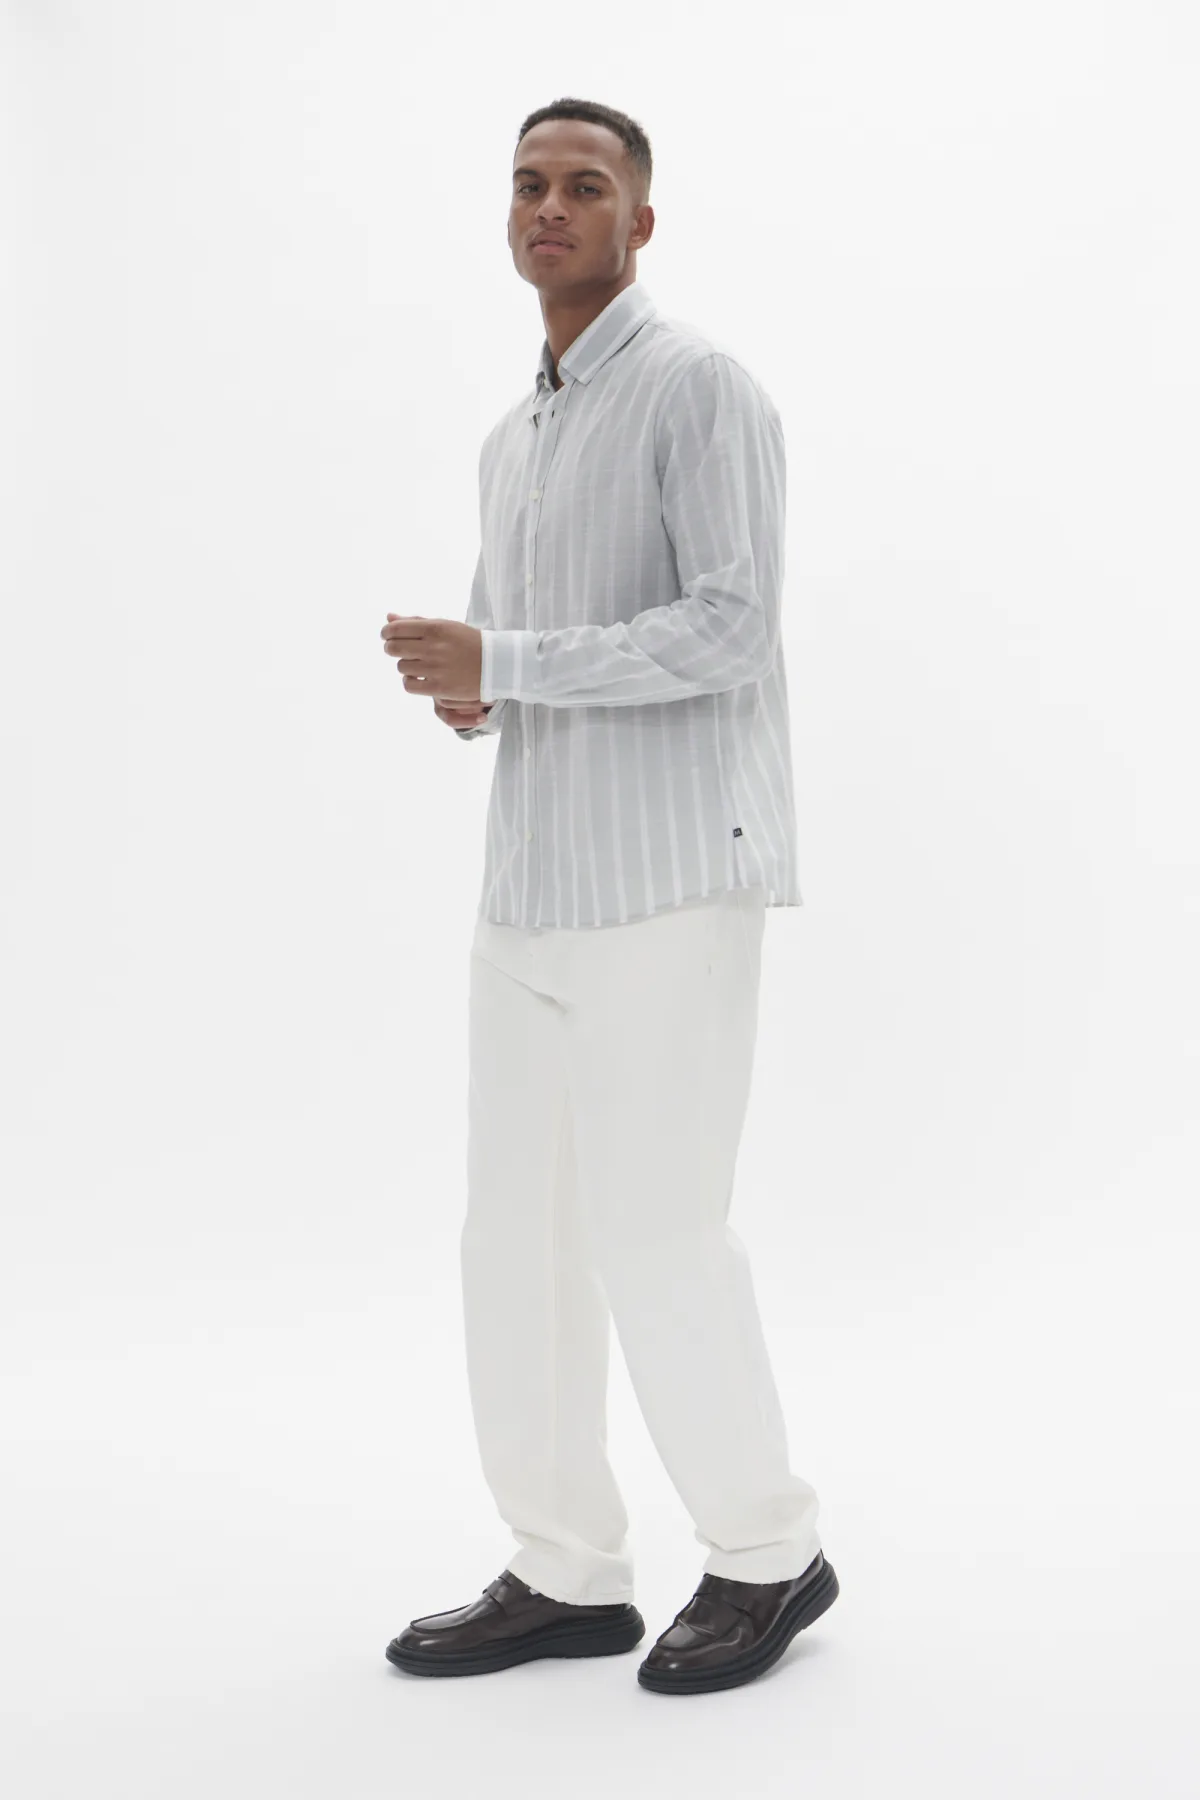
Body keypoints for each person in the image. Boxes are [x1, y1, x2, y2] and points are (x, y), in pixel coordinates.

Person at [379, 96, 838, 1697]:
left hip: (668, 879)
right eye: (527, 183)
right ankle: (563, 1567)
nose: (550, 206)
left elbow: (731, 626)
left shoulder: (701, 389)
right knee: (511, 1241)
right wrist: (472, 689)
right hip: (530, 890)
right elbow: (523, 659)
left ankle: (767, 1554)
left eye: (585, 185)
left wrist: (507, 657)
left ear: (641, 222)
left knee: (659, 1232)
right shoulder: (513, 436)